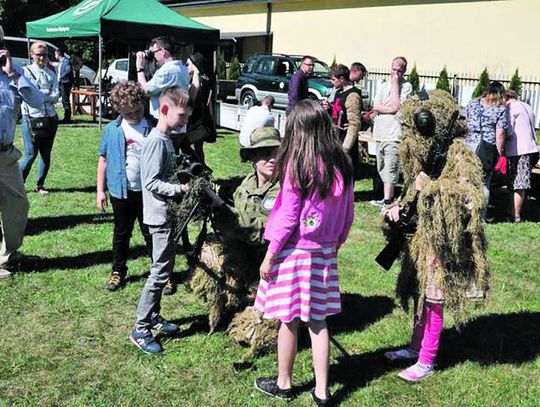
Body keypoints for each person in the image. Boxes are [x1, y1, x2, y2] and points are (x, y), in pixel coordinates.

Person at [381, 90, 489, 382]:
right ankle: (415, 346)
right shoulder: (424, 153)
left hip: (442, 241)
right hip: (419, 236)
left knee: (434, 297)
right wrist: (398, 210)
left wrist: (431, 187)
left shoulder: (458, 154)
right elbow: (412, 193)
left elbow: (470, 200)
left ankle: (427, 359)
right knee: (418, 293)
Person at [253, 99, 354, 404]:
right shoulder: (343, 166)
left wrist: (270, 256)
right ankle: (322, 392)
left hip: (294, 253)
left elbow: (286, 218)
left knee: (289, 320)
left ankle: (284, 383)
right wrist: (334, 244)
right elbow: (349, 214)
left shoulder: (298, 166)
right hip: (324, 255)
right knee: (319, 322)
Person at [129, 87, 191, 354]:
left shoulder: (166, 138)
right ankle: (141, 328)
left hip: (167, 214)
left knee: (163, 267)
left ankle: (154, 316)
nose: (185, 120)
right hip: (159, 216)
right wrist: (179, 189)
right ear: (164, 110)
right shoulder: (156, 141)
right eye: (181, 115)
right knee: (159, 274)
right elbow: (151, 181)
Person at [96, 81, 153, 291]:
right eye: (128, 113)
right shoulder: (113, 130)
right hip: (121, 191)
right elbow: (103, 159)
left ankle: (161, 273)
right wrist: (100, 191)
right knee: (121, 233)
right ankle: (118, 271)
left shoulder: (154, 126)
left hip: (148, 193)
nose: (134, 116)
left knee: (151, 233)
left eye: (137, 110)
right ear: (119, 109)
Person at [0, 26, 44, 279]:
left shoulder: (13, 72)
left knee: (18, 205)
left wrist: (15, 75)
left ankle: (8, 254)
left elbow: (37, 102)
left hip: (6, 154)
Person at [370, 56, 412, 208]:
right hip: (380, 131)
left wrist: (395, 84)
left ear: (404, 71)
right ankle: (386, 197)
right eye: (393, 70)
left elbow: (397, 106)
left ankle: (388, 200)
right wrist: (389, 109)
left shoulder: (406, 86)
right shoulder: (382, 85)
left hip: (394, 134)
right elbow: (376, 105)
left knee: (391, 167)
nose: (395, 73)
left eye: (399, 71)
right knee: (381, 166)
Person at [19, 41, 60, 195]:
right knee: (30, 154)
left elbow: (56, 96)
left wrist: (41, 94)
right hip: (31, 118)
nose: (42, 57)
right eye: (38, 54)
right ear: (31, 55)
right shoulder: (25, 72)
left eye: (44, 54)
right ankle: (17, 185)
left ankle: (40, 184)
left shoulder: (51, 73)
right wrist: (45, 95)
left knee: (45, 154)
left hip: (50, 118)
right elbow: (28, 95)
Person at [464, 81, 508, 203]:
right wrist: (498, 154)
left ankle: (464, 211)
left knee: (466, 179)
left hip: (468, 144)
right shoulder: (500, 109)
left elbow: (464, 122)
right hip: (487, 147)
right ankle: (479, 214)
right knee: (484, 182)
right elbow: (500, 133)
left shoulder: (473, 103)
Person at [505, 89, 539, 222]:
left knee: (518, 183)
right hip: (531, 148)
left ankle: (515, 215)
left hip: (518, 150)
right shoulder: (527, 106)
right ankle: (511, 211)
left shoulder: (511, 107)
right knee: (520, 182)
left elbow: (508, 130)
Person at [324, 64, 362, 178]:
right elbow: (339, 113)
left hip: (345, 138)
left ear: (342, 79)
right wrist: (329, 109)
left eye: (334, 79)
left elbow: (354, 123)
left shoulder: (352, 95)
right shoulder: (339, 92)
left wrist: (345, 148)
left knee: (345, 173)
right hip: (336, 136)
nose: (332, 82)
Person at [183, 52, 217, 165]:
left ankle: (200, 169)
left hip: (197, 120)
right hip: (200, 120)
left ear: (195, 65)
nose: (186, 67)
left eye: (188, 64)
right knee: (198, 147)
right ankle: (201, 168)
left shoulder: (199, 81)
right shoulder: (205, 79)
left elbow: (191, 100)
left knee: (185, 145)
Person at [55, 48, 72, 123]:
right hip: (61, 83)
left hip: (65, 83)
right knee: (55, 97)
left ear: (58, 54)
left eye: (55, 54)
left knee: (65, 100)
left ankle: (67, 118)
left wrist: (61, 76)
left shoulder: (66, 61)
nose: (55, 56)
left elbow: (68, 70)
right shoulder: (60, 62)